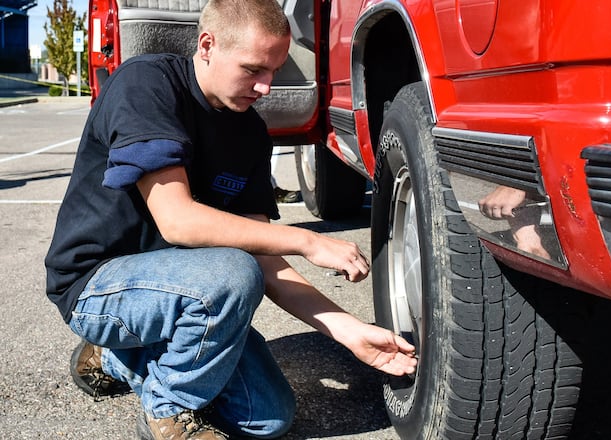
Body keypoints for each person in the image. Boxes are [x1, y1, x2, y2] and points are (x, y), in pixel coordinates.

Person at [44, 0, 417, 438]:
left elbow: (266, 259)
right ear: (207, 45)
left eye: (274, 71)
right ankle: (167, 410)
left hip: (183, 290)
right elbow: (178, 222)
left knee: (268, 417)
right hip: (97, 287)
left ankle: (119, 358)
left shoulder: (250, 133)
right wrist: (308, 240)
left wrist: (349, 331)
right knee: (231, 273)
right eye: (254, 69)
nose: (265, 87)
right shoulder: (147, 85)